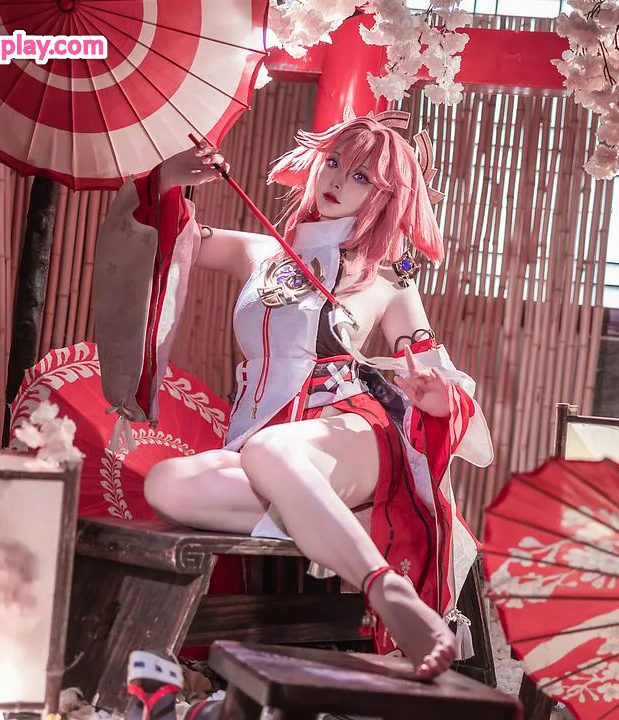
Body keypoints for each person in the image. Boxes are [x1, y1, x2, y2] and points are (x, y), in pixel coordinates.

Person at [112, 112, 492, 680]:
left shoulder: (389, 280)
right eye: (333, 162)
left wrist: (437, 398)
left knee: (272, 451)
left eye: (361, 177)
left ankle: (390, 594)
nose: (337, 180)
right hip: (263, 442)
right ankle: (329, 516)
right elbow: (165, 238)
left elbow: (440, 373)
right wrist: (169, 179)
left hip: (352, 430)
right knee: (166, 483)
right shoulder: (258, 252)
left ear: (385, 197)